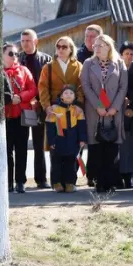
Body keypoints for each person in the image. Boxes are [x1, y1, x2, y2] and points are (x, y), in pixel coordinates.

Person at [81, 34, 128, 193]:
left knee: (112, 147)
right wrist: (98, 106)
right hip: (95, 111)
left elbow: (123, 86)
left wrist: (115, 107)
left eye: (100, 45)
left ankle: (112, 182)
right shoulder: (88, 63)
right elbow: (85, 86)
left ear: (108, 47)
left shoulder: (119, 63)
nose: (97, 48)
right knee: (97, 146)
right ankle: (99, 182)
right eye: (95, 45)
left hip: (114, 111)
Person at [38, 37, 85, 190]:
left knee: (72, 148)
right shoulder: (48, 67)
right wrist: (47, 107)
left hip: (72, 111)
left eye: (64, 47)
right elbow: (42, 88)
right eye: (58, 46)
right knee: (55, 148)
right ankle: (56, 182)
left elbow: (81, 87)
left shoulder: (78, 66)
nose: (60, 49)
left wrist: (79, 104)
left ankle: (70, 182)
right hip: (55, 110)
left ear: (71, 49)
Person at [19, 29, 52, 189]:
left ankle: (41, 179)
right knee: (21, 144)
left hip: (40, 107)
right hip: (22, 107)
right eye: (23, 41)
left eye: (28, 40)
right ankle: (20, 180)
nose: (25, 44)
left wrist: (41, 102)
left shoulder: (46, 60)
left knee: (39, 145)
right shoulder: (17, 59)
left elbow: (48, 84)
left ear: (36, 42)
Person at [3, 42, 37, 193]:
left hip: (21, 116)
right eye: (11, 53)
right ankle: (8, 182)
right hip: (4, 117)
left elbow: (33, 89)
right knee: (6, 151)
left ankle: (20, 181)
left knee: (21, 150)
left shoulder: (23, 70)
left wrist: (21, 97)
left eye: (17, 54)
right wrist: (8, 99)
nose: (15, 56)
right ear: (2, 55)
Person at [46, 86, 86, 193]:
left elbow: (81, 126)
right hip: (58, 139)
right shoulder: (54, 108)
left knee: (71, 162)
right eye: (66, 93)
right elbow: (50, 127)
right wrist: (51, 141)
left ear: (75, 97)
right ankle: (57, 183)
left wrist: (82, 140)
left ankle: (70, 183)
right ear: (61, 96)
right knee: (57, 162)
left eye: (71, 93)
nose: (68, 95)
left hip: (72, 139)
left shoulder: (78, 110)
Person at [121, 42, 133, 188]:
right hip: (116, 110)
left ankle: (128, 176)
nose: (129, 56)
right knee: (122, 146)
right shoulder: (116, 68)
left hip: (130, 110)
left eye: (132, 54)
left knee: (130, 146)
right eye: (126, 53)